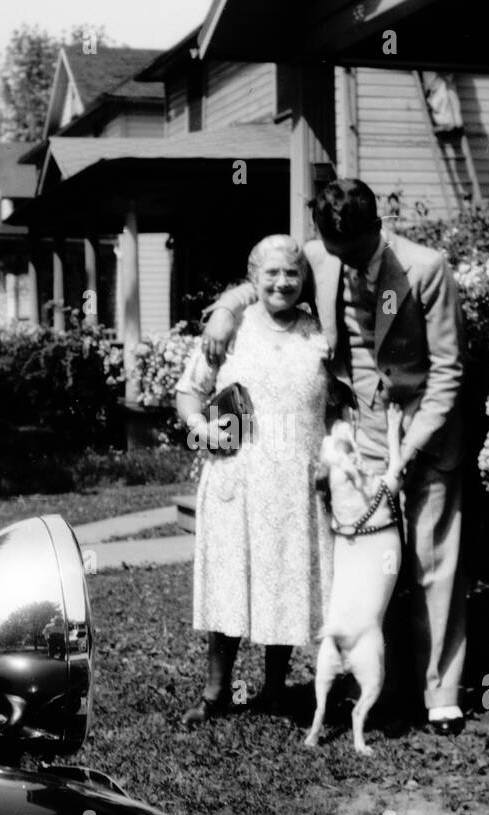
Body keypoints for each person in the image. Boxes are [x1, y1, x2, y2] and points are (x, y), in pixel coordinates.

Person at [201, 179, 468, 735]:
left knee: (429, 561)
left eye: (355, 250)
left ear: (376, 227)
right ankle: (383, 683)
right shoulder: (322, 256)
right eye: (334, 250)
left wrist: (408, 453)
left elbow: (448, 372)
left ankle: (440, 692)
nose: (343, 260)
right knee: (374, 563)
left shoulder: (426, 267)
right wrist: (224, 310)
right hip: (362, 430)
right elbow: (265, 278)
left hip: (425, 429)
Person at [175, 235, 332, 726]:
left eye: (292, 273)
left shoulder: (319, 334)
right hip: (237, 478)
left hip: (295, 481)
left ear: (303, 278)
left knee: (283, 582)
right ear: (253, 277)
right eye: (271, 273)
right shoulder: (231, 329)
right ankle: (215, 693)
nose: (282, 282)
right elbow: (189, 391)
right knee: (230, 582)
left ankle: (276, 692)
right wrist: (202, 429)